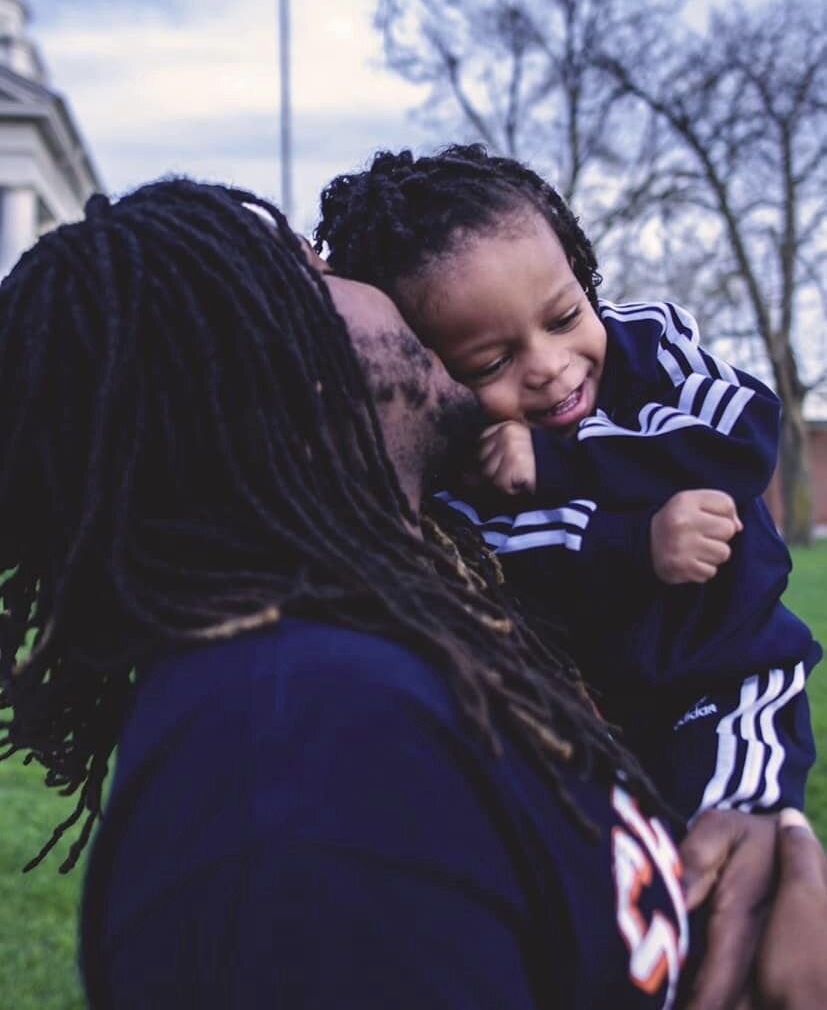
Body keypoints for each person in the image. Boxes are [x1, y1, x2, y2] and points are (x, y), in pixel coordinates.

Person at [0, 178, 821, 1010]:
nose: (367, 282)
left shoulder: (427, 595)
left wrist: (762, 835)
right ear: (281, 356)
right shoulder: (289, 778)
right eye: (316, 269)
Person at [314, 143, 821, 821]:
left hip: (726, 680)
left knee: (729, 854)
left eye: (563, 317)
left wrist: (559, 465)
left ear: (581, 275)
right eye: (491, 361)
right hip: (605, 714)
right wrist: (635, 542)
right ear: (433, 374)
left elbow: (741, 435)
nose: (550, 366)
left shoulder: (650, 342)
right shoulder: (469, 470)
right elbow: (514, 550)